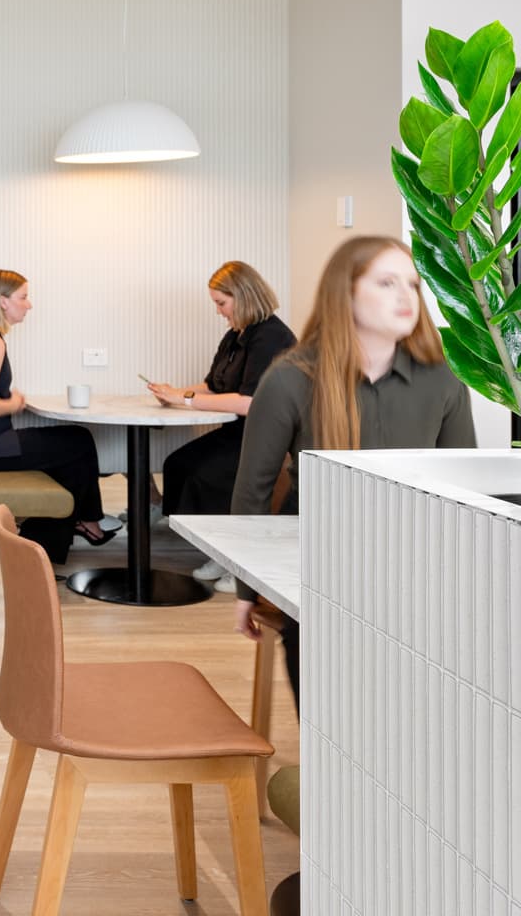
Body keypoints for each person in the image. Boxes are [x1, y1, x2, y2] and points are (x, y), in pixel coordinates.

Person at [229, 236, 475, 699]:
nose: (407, 297)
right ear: (345, 293)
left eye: (414, 285)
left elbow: (465, 493)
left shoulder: (445, 377)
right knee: (333, 709)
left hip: (416, 569)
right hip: (316, 565)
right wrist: (248, 589)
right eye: (387, 283)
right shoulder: (288, 378)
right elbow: (252, 491)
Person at [0, 269, 112, 565]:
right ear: (3, 301)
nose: (29, 304)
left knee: (70, 446)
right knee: (78, 440)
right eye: (23, 297)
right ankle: (83, 524)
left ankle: (56, 535)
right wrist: (14, 402)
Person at [150, 260, 296, 516]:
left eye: (221, 303)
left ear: (244, 297)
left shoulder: (271, 337)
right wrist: (173, 393)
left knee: (200, 475)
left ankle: (213, 543)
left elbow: (248, 402)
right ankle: (182, 533)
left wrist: (185, 399)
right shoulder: (235, 334)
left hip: (263, 439)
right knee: (175, 464)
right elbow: (212, 386)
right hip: (236, 433)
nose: (218, 312)